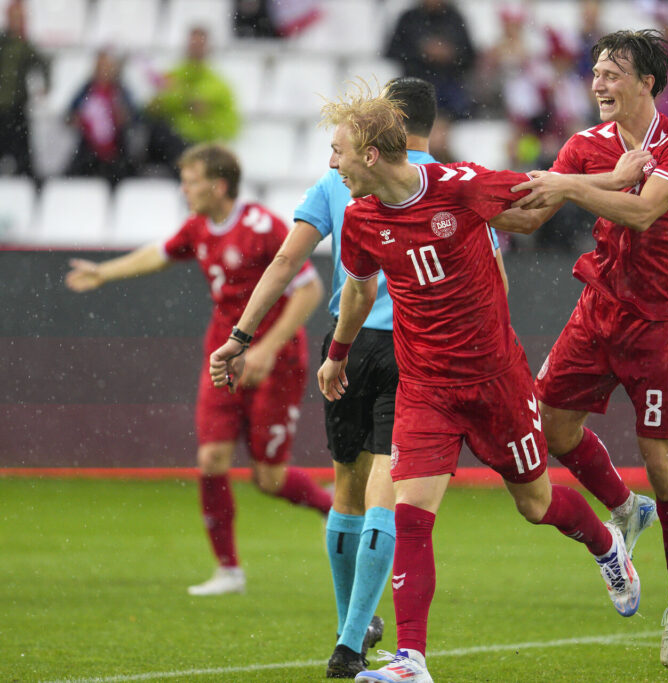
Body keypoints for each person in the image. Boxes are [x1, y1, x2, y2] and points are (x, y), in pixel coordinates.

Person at [211, 86, 643, 683]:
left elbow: (539, 195)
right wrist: (336, 355)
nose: (332, 167)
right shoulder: (360, 217)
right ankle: (412, 660)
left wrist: (614, 179)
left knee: (536, 504)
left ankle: (605, 546)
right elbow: (359, 290)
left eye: (338, 153)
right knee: (409, 514)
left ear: (369, 153)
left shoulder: (459, 185)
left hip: (496, 381)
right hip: (425, 386)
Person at [208, 77, 507, 678]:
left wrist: (239, 336)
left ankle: (352, 624)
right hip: (422, 348)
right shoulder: (455, 185)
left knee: (345, 488)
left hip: (351, 343)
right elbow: (494, 277)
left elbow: (288, 260)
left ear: (383, 121)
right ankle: (350, 642)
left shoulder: (339, 178)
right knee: (386, 492)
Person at [496, 29, 668, 667]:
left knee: (666, 468)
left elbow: (642, 211)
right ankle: (623, 508)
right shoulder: (584, 145)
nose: (598, 84)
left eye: (613, 73)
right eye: (594, 73)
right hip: (599, 311)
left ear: (647, 81)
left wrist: (568, 189)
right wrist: (461, 205)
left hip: (661, 323)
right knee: (549, 428)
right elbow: (531, 215)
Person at [65, 143, 331, 596]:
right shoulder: (198, 228)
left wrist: (266, 349)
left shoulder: (263, 227)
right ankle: (228, 570)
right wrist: (104, 273)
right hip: (223, 357)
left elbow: (309, 291)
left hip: (275, 362)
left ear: (218, 185)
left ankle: (338, 512)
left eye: (191, 181)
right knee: (210, 459)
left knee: (269, 479)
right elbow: (158, 253)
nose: (185, 190)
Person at [384, 0, 475, 161]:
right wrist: (422, 52)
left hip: (448, 92)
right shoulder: (409, 18)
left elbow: (469, 56)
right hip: (414, 92)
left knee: (436, 140)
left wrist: (450, 54)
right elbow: (392, 52)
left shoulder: (454, 18)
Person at [146, 26, 240, 146]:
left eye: (200, 45)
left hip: (200, 145)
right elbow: (153, 109)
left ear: (209, 48)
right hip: (170, 141)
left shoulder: (219, 85)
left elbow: (229, 127)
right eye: (193, 45)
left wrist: (205, 116)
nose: (195, 49)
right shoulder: (172, 75)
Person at [64, 49, 137, 186]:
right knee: (71, 179)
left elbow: (134, 117)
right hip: (89, 149)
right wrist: (77, 119)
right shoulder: (86, 89)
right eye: (100, 67)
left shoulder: (120, 91)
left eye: (107, 67)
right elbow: (69, 115)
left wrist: (123, 117)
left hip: (117, 150)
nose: (103, 72)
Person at [0, 0, 49, 181]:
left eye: (20, 18)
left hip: (16, 109)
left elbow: (43, 63)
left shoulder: (25, 46)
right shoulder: (3, 43)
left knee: (23, 160)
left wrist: (45, 86)